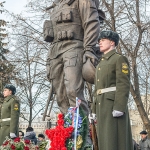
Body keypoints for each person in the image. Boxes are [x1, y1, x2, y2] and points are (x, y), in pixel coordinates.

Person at [44, 0, 100, 116]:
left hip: (74, 47)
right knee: (60, 95)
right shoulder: (56, 6)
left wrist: (89, 48)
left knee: (73, 91)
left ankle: (81, 130)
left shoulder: (82, 1)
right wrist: (49, 60)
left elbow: (91, 22)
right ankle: (67, 130)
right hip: (55, 52)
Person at [91, 30, 133, 150]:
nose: (100, 42)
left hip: (112, 105)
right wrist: (93, 109)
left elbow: (123, 84)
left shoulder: (119, 59)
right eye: (99, 40)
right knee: (104, 140)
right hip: (101, 105)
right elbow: (97, 89)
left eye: (103, 40)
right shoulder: (100, 65)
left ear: (112, 42)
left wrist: (119, 106)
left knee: (114, 140)